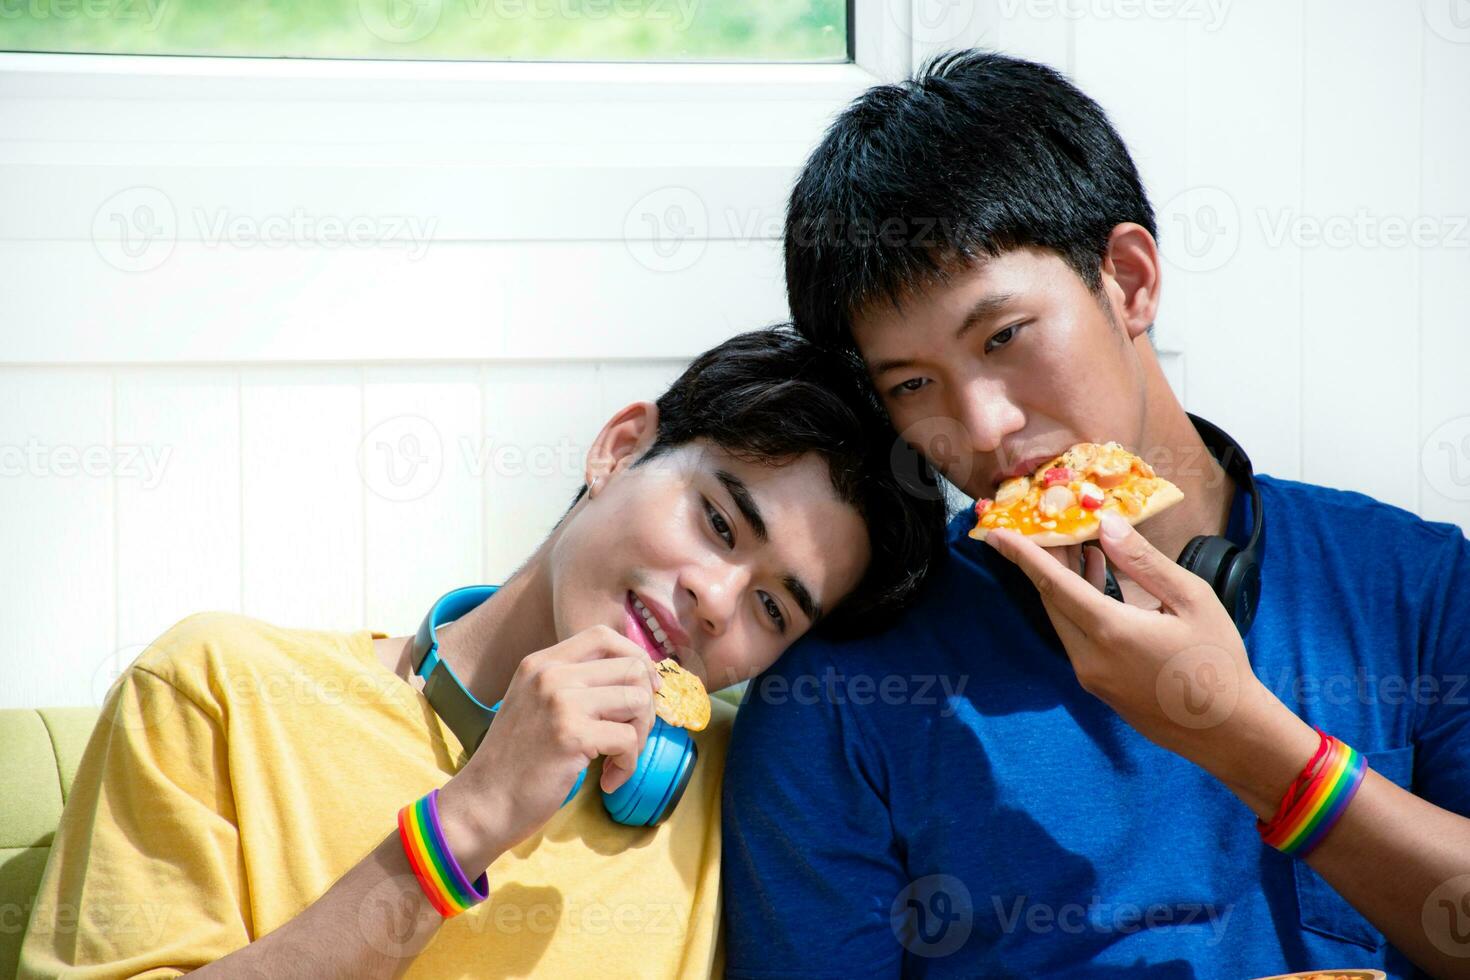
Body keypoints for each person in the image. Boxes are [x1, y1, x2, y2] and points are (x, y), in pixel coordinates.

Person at [722, 51, 1470, 979]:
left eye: (1004, 337)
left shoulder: (1413, 584)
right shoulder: (836, 701)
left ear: (1128, 279)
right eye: (914, 385)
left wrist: (1246, 742)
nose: (985, 427)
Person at [18, 326, 948, 979]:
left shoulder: (750, 790)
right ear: (620, 449)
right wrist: (467, 822)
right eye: (716, 520)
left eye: (775, 610)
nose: (715, 597)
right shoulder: (216, 688)